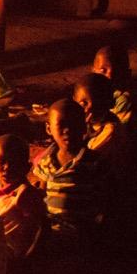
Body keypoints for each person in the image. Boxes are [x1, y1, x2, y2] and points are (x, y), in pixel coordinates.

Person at [31, 99, 107, 243]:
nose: (67, 130)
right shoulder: (46, 161)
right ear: (48, 129)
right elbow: (41, 193)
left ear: (84, 127)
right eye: (61, 125)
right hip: (51, 228)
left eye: (74, 124)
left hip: (82, 231)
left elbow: (105, 198)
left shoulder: (94, 162)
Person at [0, 134, 47, 274]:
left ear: (27, 167)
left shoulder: (25, 194)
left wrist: (29, 258)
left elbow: (44, 227)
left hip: (10, 251)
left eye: (15, 162)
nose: (7, 167)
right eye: (2, 161)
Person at [91, 46, 137, 171]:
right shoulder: (98, 95)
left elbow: (114, 136)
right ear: (93, 71)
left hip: (126, 164)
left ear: (127, 74)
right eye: (103, 70)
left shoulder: (125, 100)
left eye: (116, 71)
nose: (109, 76)